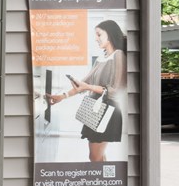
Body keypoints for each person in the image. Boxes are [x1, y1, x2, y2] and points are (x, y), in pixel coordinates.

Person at [47, 19, 127, 162]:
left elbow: (116, 90)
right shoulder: (101, 58)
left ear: (110, 34)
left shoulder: (119, 55)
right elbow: (83, 84)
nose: (96, 38)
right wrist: (62, 96)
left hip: (107, 110)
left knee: (95, 156)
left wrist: (88, 87)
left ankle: (102, 182)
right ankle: (105, 182)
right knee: (97, 156)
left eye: (99, 34)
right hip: (95, 110)